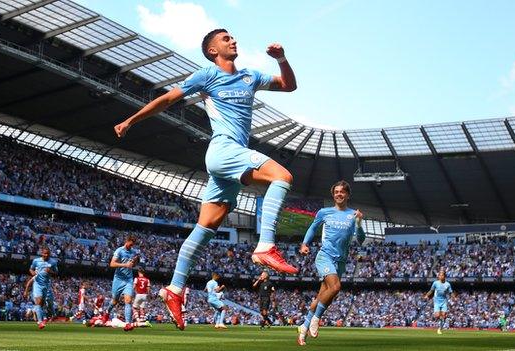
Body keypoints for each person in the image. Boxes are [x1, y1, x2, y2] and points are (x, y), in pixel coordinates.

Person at [114, 28, 298, 330]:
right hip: (224, 151)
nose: (233, 40)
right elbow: (169, 99)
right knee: (282, 176)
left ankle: (174, 289)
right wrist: (130, 120)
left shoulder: (251, 76)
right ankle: (265, 245)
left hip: (227, 160)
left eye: (233, 37)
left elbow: (288, 86)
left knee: (207, 227)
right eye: (225, 39)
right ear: (213, 51)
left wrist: (282, 59)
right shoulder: (207, 75)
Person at [297, 181, 365, 346]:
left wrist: (359, 224)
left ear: (348, 194)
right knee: (335, 287)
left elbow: (361, 240)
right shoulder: (324, 212)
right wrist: (305, 243)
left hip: (340, 261)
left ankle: (303, 329)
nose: (339, 194)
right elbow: (313, 228)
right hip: (325, 256)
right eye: (336, 192)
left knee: (323, 297)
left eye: (342, 192)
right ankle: (316, 319)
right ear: (333, 194)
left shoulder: (354, 215)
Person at [106, 235, 140, 331]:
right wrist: (125, 264)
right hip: (118, 279)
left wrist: (135, 262)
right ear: (127, 241)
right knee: (114, 301)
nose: (131, 246)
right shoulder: (119, 251)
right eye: (130, 244)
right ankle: (107, 312)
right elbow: (112, 264)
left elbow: (133, 264)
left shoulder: (133, 252)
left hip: (129, 279)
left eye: (133, 245)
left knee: (128, 301)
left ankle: (128, 324)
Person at [28, 247, 58, 329]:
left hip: (47, 285)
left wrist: (50, 271)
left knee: (46, 303)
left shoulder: (53, 262)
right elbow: (31, 269)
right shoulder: (36, 261)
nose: (46, 255)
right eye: (44, 253)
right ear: (42, 253)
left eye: (48, 254)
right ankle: (40, 322)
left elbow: (56, 272)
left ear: (50, 254)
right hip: (37, 284)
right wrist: (34, 274)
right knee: (38, 301)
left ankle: (50, 316)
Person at [424, 270, 455, 335]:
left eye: (441, 275)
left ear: (444, 276)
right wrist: (427, 295)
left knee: (443, 315)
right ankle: (443, 320)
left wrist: (454, 297)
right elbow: (431, 290)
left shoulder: (447, 284)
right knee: (437, 315)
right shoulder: (435, 283)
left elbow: (451, 292)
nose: (440, 276)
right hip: (437, 301)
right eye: (439, 275)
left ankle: (439, 329)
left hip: (444, 301)